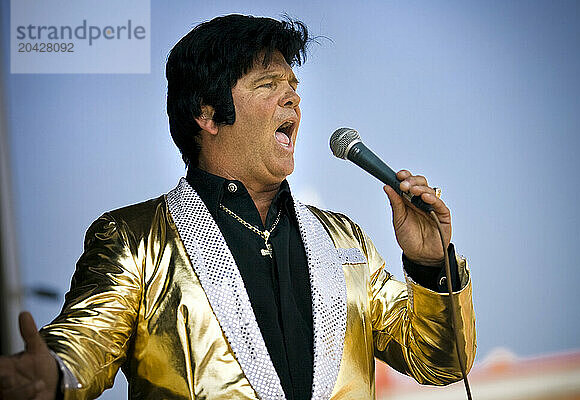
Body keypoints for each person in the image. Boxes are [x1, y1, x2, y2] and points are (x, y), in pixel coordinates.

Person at [0, 14, 475, 400]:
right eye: (268, 84)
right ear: (206, 113)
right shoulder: (134, 238)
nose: (293, 97)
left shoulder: (344, 242)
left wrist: (432, 264)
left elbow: (443, 362)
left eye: (293, 84)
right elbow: (87, 341)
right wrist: (55, 375)